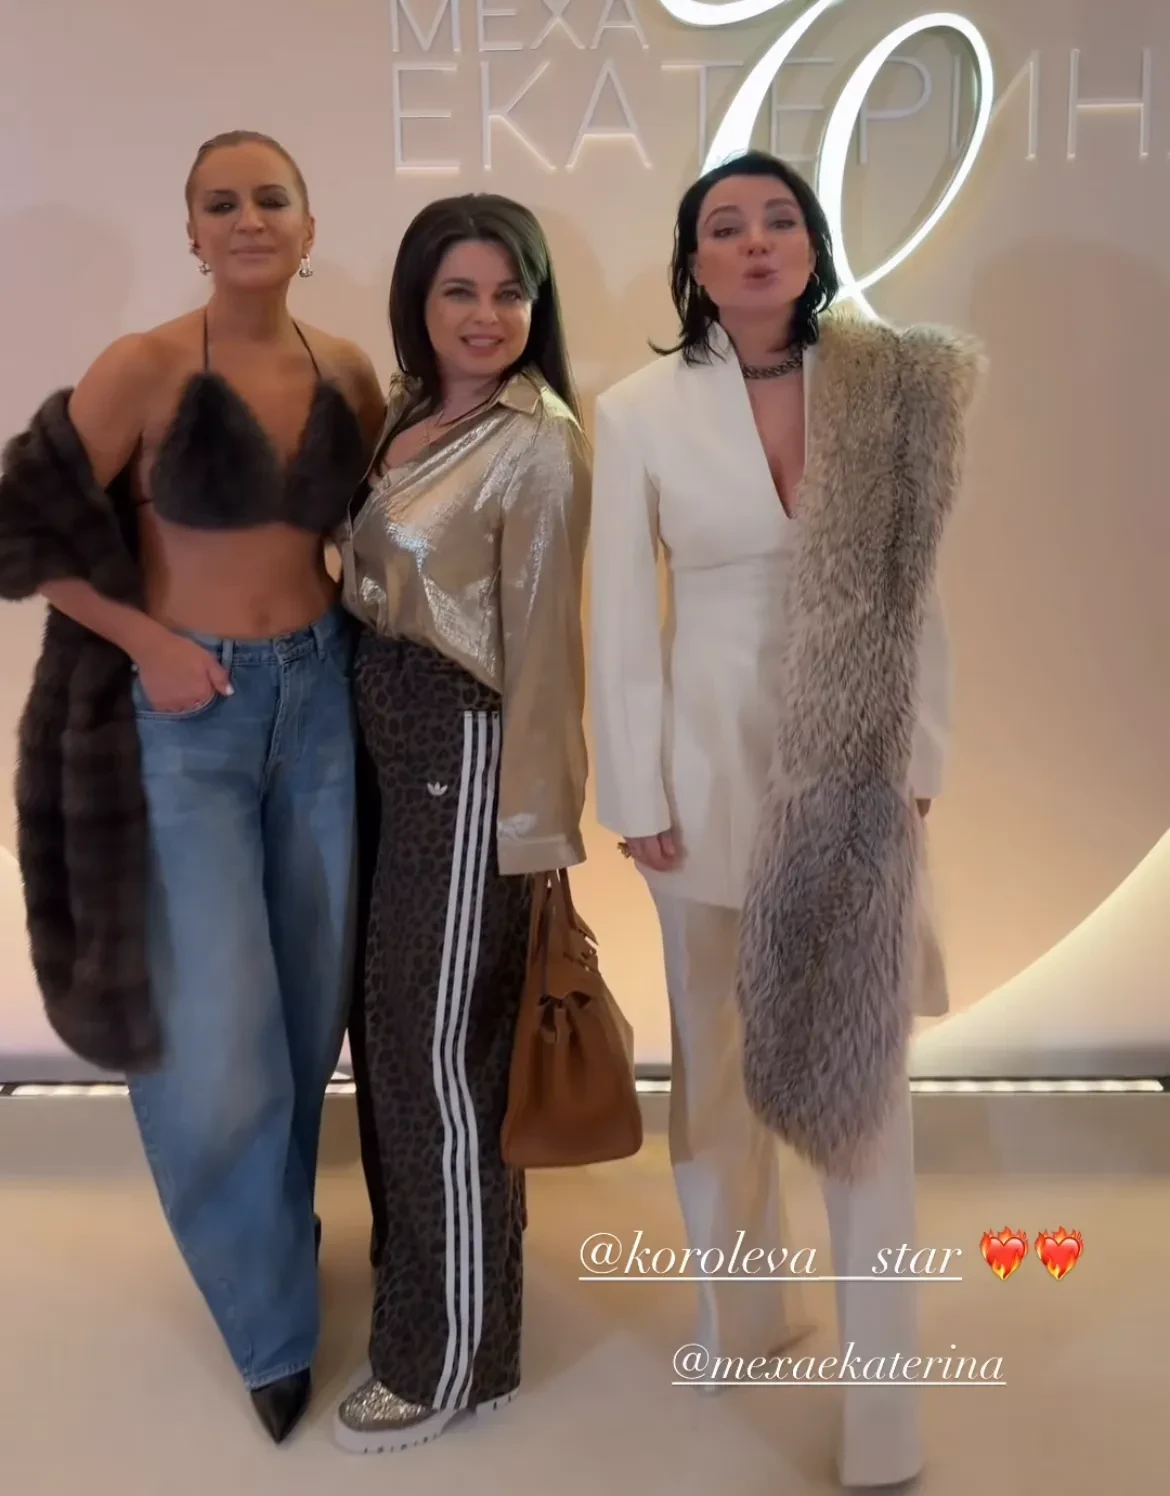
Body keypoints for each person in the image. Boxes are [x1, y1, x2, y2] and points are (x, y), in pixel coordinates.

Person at [587, 150, 981, 1489]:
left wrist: (916, 763)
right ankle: (743, 1316)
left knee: (863, 1085)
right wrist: (633, 791)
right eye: (725, 225)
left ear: (811, 245)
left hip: (854, 774)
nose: (755, 241)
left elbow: (916, 598)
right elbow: (619, 619)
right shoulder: (636, 409)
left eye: (779, 219)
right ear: (692, 263)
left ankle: (886, 1415)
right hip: (700, 776)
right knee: (714, 1068)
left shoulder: (884, 387)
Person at [0, 129, 384, 1443]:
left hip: (321, 704)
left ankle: (273, 1241)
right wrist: (148, 644)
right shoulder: (145, 365)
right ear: (193, 231)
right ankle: (271, 1328)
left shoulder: (347, 369)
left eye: (272, 197)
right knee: (215, 1034)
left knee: (305, 1017)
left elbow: (381, 537)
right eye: (222, 202)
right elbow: (24, 526)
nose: (248, 217)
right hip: (189, 721)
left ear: (309, 224)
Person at [332, 193, 591, 1455]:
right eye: (459, 291)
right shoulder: (406, 411)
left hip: (466, 751)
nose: (486, 316)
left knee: (435, 1059)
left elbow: (544, 651)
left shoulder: (539, 444)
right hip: (384, 742)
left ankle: (446, 1360)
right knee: (399, 1044)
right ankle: (445, 1308)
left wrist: (533, 835)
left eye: (508, 293)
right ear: (418, 302)